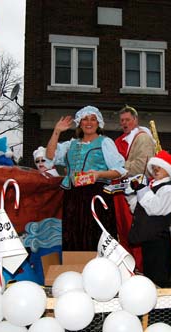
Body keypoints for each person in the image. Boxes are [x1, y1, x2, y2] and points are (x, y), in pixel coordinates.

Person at [46, 106, 126, 251]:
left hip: (96, 195)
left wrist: (98, 174)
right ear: (80, 123)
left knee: (94, 234)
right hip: (73, 196)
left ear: (98, 123)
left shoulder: (105, 142)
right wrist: (56, 131)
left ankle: (98, 269)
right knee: (73, 234)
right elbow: (50, 156)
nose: (89, 123)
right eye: (85, 119)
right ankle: (76, 267)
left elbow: (119, 171)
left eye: (93, 119)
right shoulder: (71, 144)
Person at [114, 105, 156, 271]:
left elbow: (142, 166)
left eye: (127, 120)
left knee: (136, 230)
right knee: (124, 231)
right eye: (122, 120)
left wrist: (117, 167)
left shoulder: (142, 138)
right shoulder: (120, 141)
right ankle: (129, 267)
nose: (124, 123)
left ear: (135, 120)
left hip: (138, 194)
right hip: (123, 193)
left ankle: (140, 267)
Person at [128, 150, 171, 288]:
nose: (155, 171)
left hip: (159, 240)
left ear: (168, 170)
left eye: (159, 168)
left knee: (159, 275)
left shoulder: (167, 189)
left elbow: (155, 208)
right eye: (153, 168)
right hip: (148, 238)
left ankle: (163, 307)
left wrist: (142, 190)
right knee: (149, 274)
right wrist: (131, 195)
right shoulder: (150, 187)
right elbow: (139, 208)